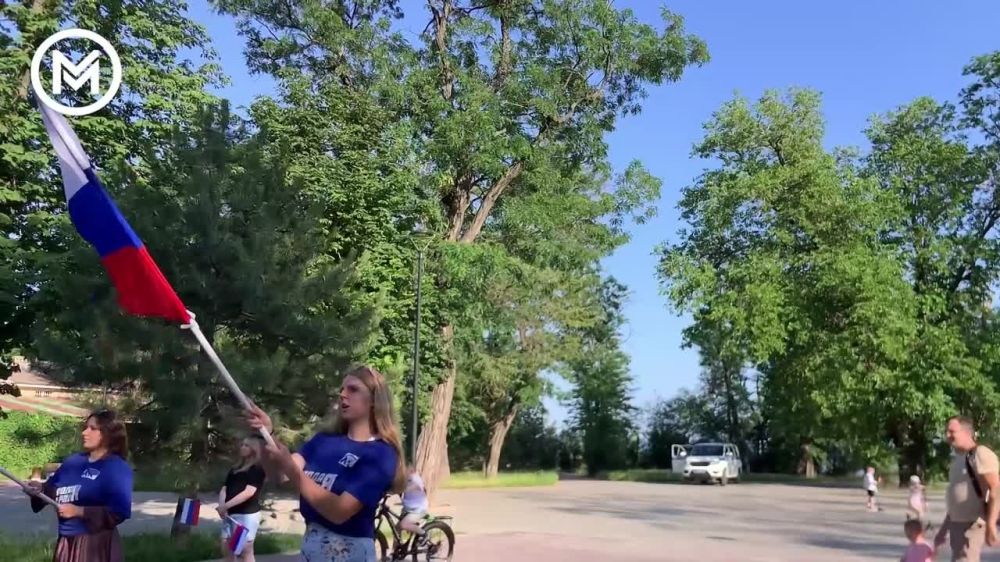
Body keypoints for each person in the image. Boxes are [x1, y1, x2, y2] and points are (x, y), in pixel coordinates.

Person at [246, 365, 406, 562]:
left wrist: (290, 467)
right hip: (310, 549)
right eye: (342, 389)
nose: (343, 395)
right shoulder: (323, 441)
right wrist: (265, 434)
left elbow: (339, 512)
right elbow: (281, 476)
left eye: (353, 389)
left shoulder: (381, 454)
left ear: (374, 399)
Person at [23, 409, 133, 562]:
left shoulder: (116, 468)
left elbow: (119, 512)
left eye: (93, 428)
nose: (84, 432)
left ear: (108, 434)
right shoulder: (73, 462)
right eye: (86, 427)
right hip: (66, 543)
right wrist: (37, 490)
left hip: (96, 546)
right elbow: (51, 490)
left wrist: (79, 511)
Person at [934, 415, 1000, 562]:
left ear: (967, 432)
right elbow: (955, 502)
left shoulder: (980, 453)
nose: (947, 435)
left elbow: (996, 489)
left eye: (952, 431)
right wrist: (943, 531)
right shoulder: (958, 459)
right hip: (957, 525)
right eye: (946, 431)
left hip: (973, 524)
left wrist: (991, 524)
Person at [218, 435, 267, 562]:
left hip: (245, 516)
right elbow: (224, 488)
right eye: (242, 445)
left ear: (254, 449)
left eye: (247, 445)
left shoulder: (256, 469)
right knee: (226, 547)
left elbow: (249, 492)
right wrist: (222, 505)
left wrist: (226, 506)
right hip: (229, 514)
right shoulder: (235, 469)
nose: (242, 447)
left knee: (244, 549)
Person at [397, 464, 428, 538]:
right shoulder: (406, 478)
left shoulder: (415, 479)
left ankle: (424, 534)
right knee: (397, 528)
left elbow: (416, 486)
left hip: (418, 510)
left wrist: (400, 490)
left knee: (403, 525)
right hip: (409, 508)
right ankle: (397, 546)